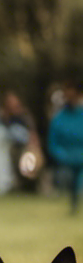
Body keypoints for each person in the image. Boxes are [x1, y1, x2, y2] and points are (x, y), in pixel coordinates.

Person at [48, 81, 83, 213]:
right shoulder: (58, 119)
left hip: (81, 161)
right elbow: (52, 145)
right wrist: (64, 157)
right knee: (66, 177)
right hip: (66, 162)